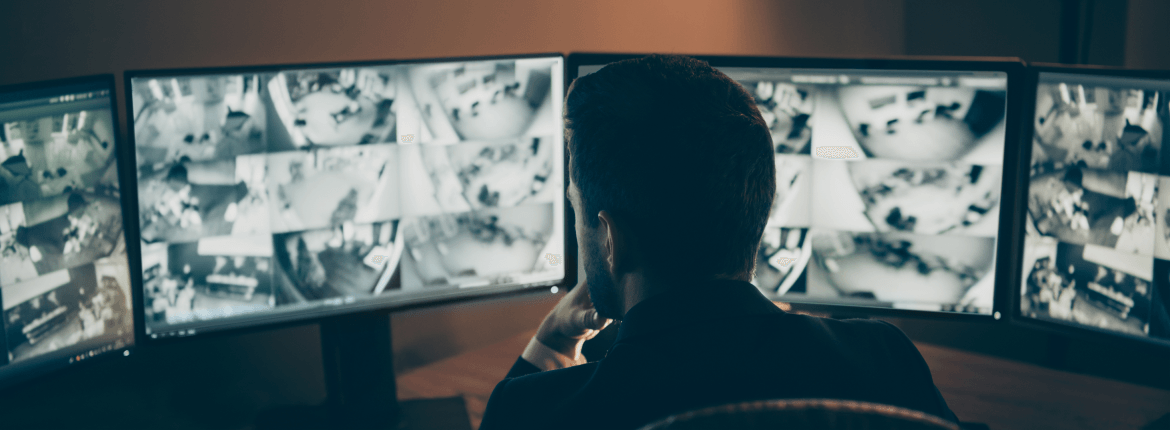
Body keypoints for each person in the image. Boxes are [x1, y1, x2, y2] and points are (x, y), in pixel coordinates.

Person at [478, 55, 959, 430]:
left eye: (577, 210)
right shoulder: (883, 359)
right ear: (755, 205)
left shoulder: (537, 410)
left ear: (610, 239)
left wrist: (550, 344)